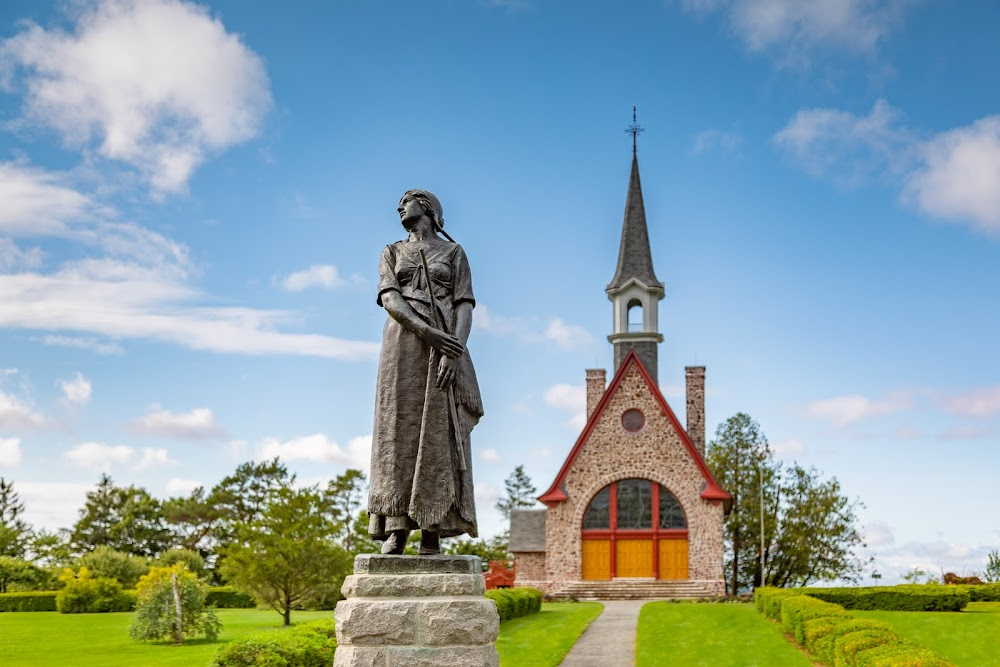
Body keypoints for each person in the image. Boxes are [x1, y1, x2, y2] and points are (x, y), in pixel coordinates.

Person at [367, 189, 483, 555]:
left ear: (428, 208)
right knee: (396, 431)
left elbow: (464, 304)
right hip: (403, 344)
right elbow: (390, 298)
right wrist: (429, 333)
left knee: (438, 433)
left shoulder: (453, 253)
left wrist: (453, 349)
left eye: (407, 200)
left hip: (446, 345)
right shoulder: (391, 252)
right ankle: (397, 527)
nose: (399, 206)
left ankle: (433, 529)